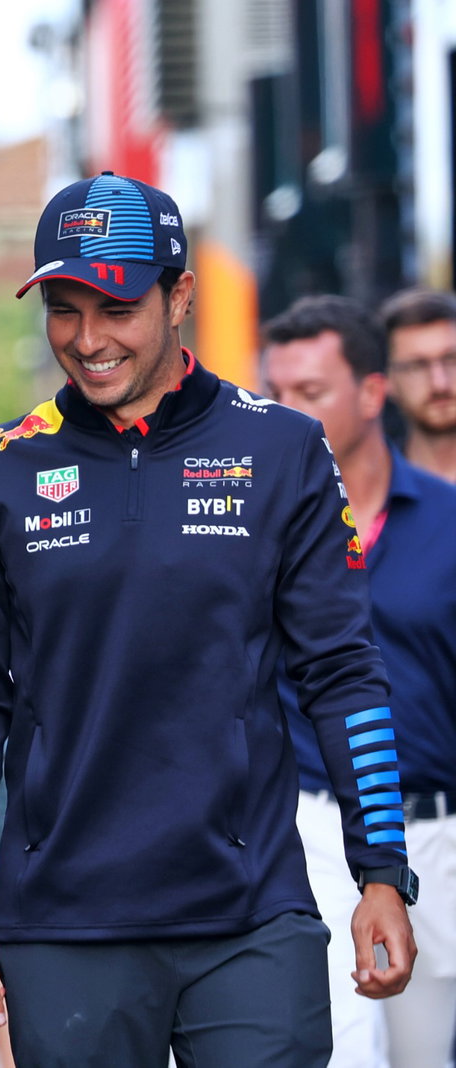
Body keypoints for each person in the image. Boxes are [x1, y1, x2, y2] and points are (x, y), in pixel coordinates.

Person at [0, 171, 417, 1066]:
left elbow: (342, 672)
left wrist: (381, 872)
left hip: (251, 913)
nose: (87, 339)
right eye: (64, 310)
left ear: (179, 295)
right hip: (63, 925)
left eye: (115, 307)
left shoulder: (282, 447)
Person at [262, 294, 456, 1068]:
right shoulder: (248, 533)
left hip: (440, 833)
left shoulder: (447, 521)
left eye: (309, 394)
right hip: (310, 827)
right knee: (341, 1052)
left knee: (423, 1055)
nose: (285, 413)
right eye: (274, 394)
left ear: (373, 393)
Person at [379, 288, 456, 483]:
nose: (440, 383)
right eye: (417, 366)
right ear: (387, 380)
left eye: (451, 359)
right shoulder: (372, 492)